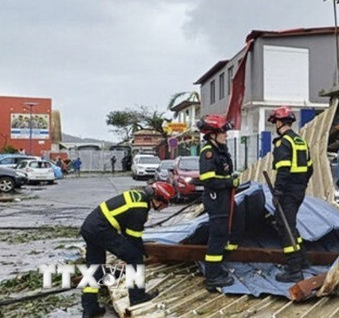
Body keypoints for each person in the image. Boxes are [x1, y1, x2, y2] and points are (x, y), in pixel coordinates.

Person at [79, 181, 175, 317]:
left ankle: (89, 308)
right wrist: (142, 252)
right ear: (159, 199)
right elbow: (133, 238)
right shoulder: (141, 209)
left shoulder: (137, 197)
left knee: (95, 268)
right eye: (166, 203)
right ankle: (138, 297)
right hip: (101, 230)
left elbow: (126, 229)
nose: (165, 207)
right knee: (135, 258)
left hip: (90, 227)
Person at [268, 106, 313, 282]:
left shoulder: (283, 143)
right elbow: (310, 168)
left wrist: (278, 191)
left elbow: (283, 170)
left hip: (287, 192)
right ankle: (303, 260)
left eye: (275, 122)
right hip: (299, 190)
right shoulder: (300, 141)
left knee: (285, 227)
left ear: (279, 123)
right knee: (291, 225)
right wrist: (301, 185)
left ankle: (294, 269)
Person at [197, 114, 237, 288]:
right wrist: (229, 182)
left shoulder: (220, 151)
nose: (226, 135)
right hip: (216, 200)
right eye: (223, 132)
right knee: (217, 236)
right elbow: (208, 179)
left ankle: (217, 270)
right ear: (212, 134)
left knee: (222, 236)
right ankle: (212, 277)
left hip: (223, 199)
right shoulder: (208, 152)